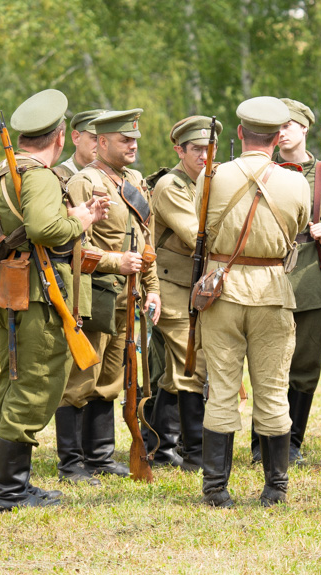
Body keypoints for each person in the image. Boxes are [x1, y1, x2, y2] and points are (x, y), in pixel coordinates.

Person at [0, 89, 106, 511]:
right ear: (59, 136)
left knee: (17, 383)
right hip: (34, 296)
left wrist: (71, 216)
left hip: (14, 291)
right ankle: (11, 492)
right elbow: (40, 228)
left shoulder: (8, 167)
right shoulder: (36, 173)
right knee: (34, 387)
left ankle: (14, 485)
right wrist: (81, 222)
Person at [199, 96, 309, 507]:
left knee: (222, 390)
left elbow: (202, 226)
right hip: (272, 292)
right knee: (274, 390)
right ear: (279, 137)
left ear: (241, 132)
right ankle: (275, 488)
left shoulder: (213, 176)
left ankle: (215, 489)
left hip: (220, 289)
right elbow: (297, 229)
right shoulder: (296, 181)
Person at [247, 97, 321, 465]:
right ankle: (259, 444)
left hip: (311, 285)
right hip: (264, 280)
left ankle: (291, 443)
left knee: (303, 369)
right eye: (276, 128)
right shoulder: (260, 170)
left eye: (287, 126)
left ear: (304, 128)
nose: (280, 134)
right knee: (266, 366)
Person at [56, 108, 161, 484]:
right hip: (95, 294)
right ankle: (71, 462)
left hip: (129, 297)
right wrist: (117, 261)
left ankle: (99, 456)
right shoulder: (84, 182)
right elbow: (72, 245)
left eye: (134, 139)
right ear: (101, 143)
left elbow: (145, 241)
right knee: (81, 378)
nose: (132, 145)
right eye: (124, 140)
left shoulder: (134, 180)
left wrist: (153, 289)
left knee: (112, 378)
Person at [145, 116, 222, 472]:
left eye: (210, 149)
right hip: (171, 286)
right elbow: (197, 237)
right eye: (196, 150)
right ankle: (193, 454)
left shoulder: (211, 181)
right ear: (179, 150)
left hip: (194, 288)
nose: (205, 156)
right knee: (191, 367)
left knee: (175, 370)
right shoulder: (171, 185)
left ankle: (160, 450)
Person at [53, 109, 106, 179]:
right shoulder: (58, 176)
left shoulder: (117, 175)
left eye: (106, 140)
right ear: (76, 137)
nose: (102, 145)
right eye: (95, 138)